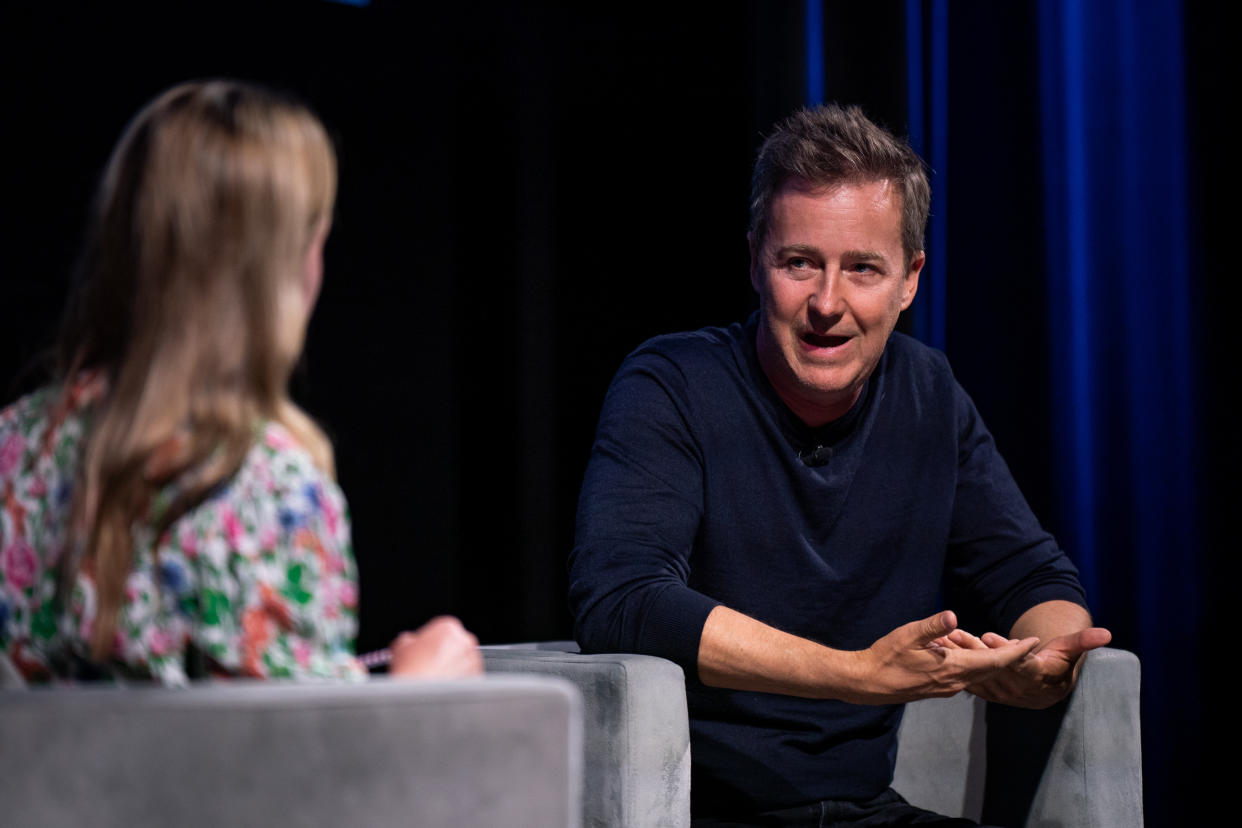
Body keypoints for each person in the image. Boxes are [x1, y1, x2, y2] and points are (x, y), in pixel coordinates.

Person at [568, 104, 1111, 826]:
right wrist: (855, 675)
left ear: (910, 279)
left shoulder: (929, 394)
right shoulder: (671, 384)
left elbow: (1033, 575)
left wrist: (1044, 662)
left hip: (869, 810)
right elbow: (622, 600)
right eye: (800, 264)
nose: (829, 303)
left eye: (862, 269)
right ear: (755, 259)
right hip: (701, 810)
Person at [0, 80, 481, 685]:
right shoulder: (271, 490)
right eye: (315, 240)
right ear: (283, 269)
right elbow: (293, 768)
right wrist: (419, 694)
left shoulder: (12, 447)